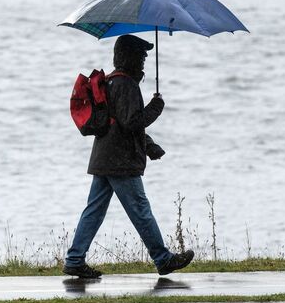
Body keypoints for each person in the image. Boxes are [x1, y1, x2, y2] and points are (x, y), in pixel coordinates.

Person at [63, 34, 194, 278]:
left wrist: (149, 145)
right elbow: (131, 122)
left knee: (94, 210)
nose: (144, 61)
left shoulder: (112, 81)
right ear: (129, 57)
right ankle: (163, 259)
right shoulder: (126, 85)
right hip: (120, 162)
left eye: (145, 57)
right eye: (141, 56)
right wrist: (155, 109)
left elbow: (119, 125)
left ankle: (74, 259)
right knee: (140, 209)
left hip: (104, 157)